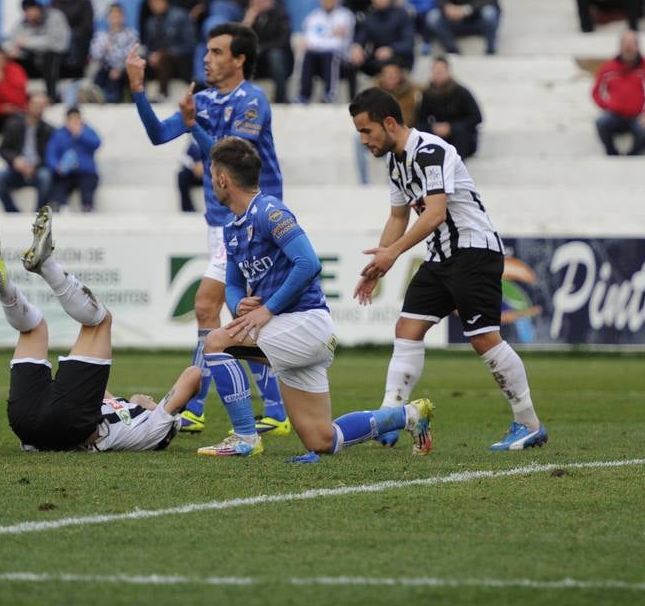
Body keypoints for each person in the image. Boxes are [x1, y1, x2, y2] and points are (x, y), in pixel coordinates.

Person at [193, 136, 434, 460]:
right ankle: (409, 415)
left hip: (304, 324)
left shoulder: (269, 212)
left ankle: (244, 437)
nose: (211, 182)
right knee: (322, 440)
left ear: (223, 179)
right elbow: (233, 283)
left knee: (216, 342)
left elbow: (309, 263)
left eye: (212, 174)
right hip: (290, 333)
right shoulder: (232, 227)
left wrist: (267, 310)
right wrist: (238, 304)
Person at [349, 87, 546, 450]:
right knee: (407, 327)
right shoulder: (395, 163)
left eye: (366, 130)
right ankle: (390, 417)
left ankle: (528, 422)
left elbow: (437, 212)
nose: (363, 140)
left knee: (484, 338)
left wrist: (393, 253)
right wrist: (377, 266)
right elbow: (397, 216)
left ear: (389, 123)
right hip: (441, 256)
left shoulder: (430, 151)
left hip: (473, 251)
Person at [126, 24, 289, 436]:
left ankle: (196, 405)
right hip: (221, 223)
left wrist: (191, 124)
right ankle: (271, 409)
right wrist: (139, 90)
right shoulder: (202, 99)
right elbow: (157, 134)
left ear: (239, 59)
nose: (207, 58)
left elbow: (230, 157)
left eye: (217, 52)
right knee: (234, 313)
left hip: (257, 221)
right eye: (207, 51)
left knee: (210, 305)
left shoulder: (252, 101)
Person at [0, 216, 202, 453]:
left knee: (101, 322)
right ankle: (5, 290)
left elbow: (193, 374)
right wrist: (133, 401)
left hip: (69, 424)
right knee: (34, 327)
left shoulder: (157, 429)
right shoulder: (119, 409)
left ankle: (46, 265)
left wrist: (158, 407)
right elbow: (93, 390)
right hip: (27, 424)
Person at [591, 30, 645, 156]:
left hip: (638, 116)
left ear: (638, 46)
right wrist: (607, 106)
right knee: (601, 123)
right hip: (615, 114)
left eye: (631, 44)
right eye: (625, 44)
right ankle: (612, 154)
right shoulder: (608, 68)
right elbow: (596, 92)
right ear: (620, 46)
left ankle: (632, 155)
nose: (628, 48)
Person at [0, 92, 54, 214]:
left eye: (42, 105)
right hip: (17, 170)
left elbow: (50, 155)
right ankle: (12, 212)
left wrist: (35, 166)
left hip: (37, 170)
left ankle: (39, 214)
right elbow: (3, 149)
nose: (39, 108)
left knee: (46, 177)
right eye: (36, 104)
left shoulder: (48, 130)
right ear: (27, 105)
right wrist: (15, 160)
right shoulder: (13, 125)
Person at [348, 0, 415, 90]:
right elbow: (362, 36)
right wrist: (357, 46)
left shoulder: (402, 14)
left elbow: (409, 43)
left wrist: (391, 49)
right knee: (351, 62)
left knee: (390, 67)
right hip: (378, 60)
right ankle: (353, 101)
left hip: (400, 59)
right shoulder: (370, 16)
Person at [3, 0, 72, 101]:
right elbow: (12, 39)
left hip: (61, 60)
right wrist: (12, 50)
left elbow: (56, 43)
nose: (30, 14)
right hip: (34, 60)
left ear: (39, 8)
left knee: (50, 57)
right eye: (27, 11)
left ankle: (51, 98)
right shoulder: (23, 23)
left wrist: (27, 42)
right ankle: (11, 97)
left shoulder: (55, 17)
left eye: (32, 10)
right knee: (9, 58)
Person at [297, 0, 355, 104]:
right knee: (308, 55)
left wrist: (320, 39)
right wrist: (331, 34)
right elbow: (308, 41)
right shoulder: (313, 17)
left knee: (331, 54)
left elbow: (337, 44)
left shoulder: (345, 15)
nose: (328, 0)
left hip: (341, 60)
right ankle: (304, 96)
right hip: (317, 58)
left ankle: (330, 94)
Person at [416, 56, 482, 159]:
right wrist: (434, 127)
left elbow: (477, 118)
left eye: (441, 71)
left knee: (460, 131)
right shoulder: (428, 94)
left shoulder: (461, 92)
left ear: (448, 71)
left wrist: (451, 127)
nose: (438, 75)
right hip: (438, 134)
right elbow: (420, 118)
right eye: (435, 71)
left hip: (460, 136)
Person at [141, 0, 196, 101]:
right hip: (157, 62)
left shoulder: (180, 16)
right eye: (152, 3)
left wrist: (164, 54)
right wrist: (150, 56)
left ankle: (162, 94)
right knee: (139, 60)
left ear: (165, 0)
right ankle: (138, 97)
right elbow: (148, 46)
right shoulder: (150, 22)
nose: (154, 6)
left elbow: (189, 45)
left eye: (157, 1)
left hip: (180, 62)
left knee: (164, 58)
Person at [44, 108, 101, 212]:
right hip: (65, 173)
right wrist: (57, 166)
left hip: (85, 172)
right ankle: (59, 206)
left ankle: (87, 206)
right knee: (59, 185)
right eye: (71, 119)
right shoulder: (59, 134)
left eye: (77, 119)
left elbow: (97, 143)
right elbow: (51, 153)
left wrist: (80, 134)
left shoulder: (87, 131)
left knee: (88, 185)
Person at [242, 0, 292, 103]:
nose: (258, 2)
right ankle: (240, 98)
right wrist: (247, 23)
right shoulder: (249, 16)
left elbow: (283, 41)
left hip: (278, 62)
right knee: (240, 56)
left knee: (275, 55)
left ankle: (281, 98)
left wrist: (261, 48)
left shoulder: (281, 15)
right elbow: (239, 42)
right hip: (257, 64)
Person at [88, 3, 139, 104]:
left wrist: (119, 67)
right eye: (112, 16)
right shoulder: (101, 35)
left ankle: (113, 99)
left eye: (118, 16)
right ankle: (97, 97)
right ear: (107, 17)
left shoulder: (131, 34)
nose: (115, 19)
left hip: (124, 69)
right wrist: (106, 48)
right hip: (105, 68)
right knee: (99, 77)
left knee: (118, 78)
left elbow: (131, 53)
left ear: (123, 17)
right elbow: (95, 54)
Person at [49, 0, 95, 80]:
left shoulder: (84, 1)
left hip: (78, 40)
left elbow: (87, 26)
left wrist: (68, 34)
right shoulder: (53, 2)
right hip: (57, 39)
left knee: (74, 39)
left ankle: (73, 69)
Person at [178, 141, 203, 213]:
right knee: (182, 175)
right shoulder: (192, 146)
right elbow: (183, 160)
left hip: (210, 174)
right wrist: (193, 166)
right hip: (196, 176)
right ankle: (187, 208)